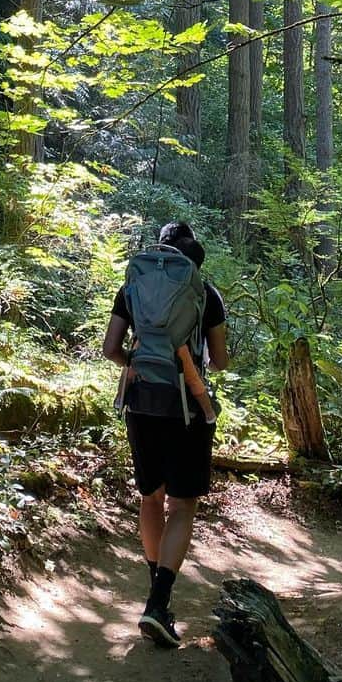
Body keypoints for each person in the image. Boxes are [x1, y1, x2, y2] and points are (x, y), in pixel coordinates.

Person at [102, 220, 229, 648]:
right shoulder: (204, 292)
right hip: (186, 406)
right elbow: (220, 361)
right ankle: (158, 603)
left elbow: (111, 349)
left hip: (140, 402)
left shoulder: (134, 284)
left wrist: (133, 363)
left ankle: (154, 592)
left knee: (150, 496)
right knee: (184, 504)